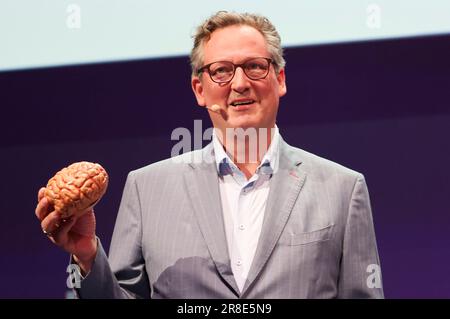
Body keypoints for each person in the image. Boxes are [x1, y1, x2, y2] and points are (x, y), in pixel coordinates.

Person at [35, 11, 383, 298]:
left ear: (280, 79)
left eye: (255, 67)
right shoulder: (147, 188)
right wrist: (87, 258)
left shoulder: (342, 188)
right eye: (221, 71)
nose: (240, 83)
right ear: (199, 89)